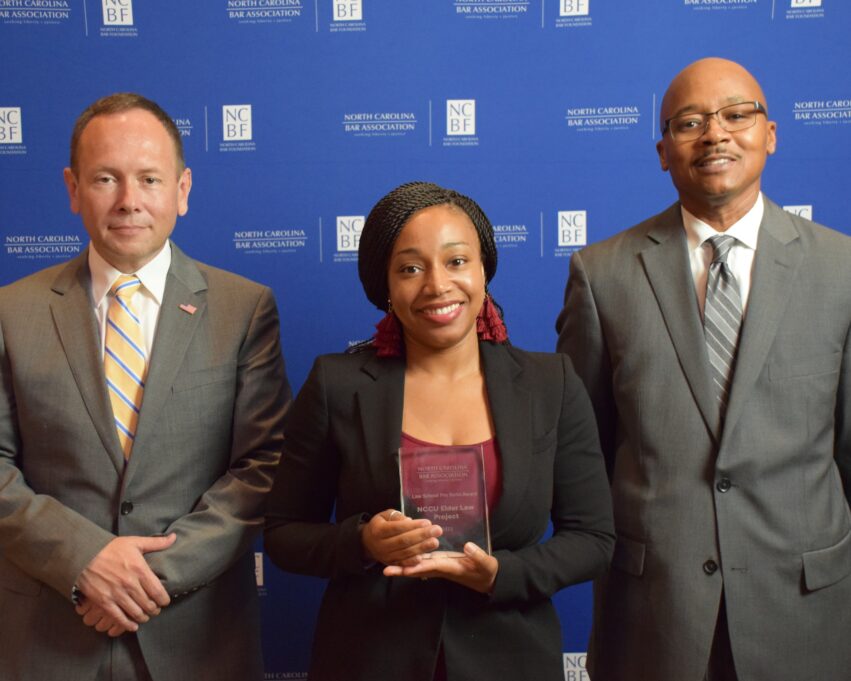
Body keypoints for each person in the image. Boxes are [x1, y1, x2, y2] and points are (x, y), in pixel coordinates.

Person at [556, 57, 851, 681]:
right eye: (690, 122)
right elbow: (584, 452)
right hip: (653, 611)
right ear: (663, 150)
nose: (715, 134)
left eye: (736, 115)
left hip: (804, 611)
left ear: (769, 134)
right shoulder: (601, 274)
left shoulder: (842, 271)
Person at [264, 181, 614, 681]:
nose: (437, 285)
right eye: (410, 268)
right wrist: (363, 542)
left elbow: (594, 538)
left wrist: (501, 575)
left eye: (456, 261)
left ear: (483, 270)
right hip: (368, 658)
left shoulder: (549, 383)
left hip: (511, 659)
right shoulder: (336, 385)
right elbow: (282, 534)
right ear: (384, 285)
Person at [0, 93, 291, 681]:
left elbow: (264, 464)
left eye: (150, 178)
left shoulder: (243, 308)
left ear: (182, 189)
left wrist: (147, 578)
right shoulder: (11, 311)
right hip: (49, 639)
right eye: (106, 178)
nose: (130, 201)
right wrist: (83, 561)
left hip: (198, 637)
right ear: (73, 188)